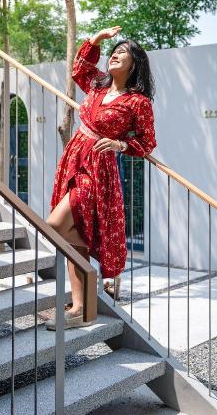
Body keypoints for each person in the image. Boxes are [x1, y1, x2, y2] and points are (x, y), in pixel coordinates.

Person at [45, 26, 157, 330]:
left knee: (55, 225)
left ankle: (94, 254)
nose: (115, 54)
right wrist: (95, 40)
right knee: (71, 233)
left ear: (135, 64)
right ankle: (80, 309)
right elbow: (79, 69)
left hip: (98, 168)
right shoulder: (97, 85)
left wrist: (121, 145)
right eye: (114, 51)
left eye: (123, 52)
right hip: (73, 157)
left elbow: (147, 142)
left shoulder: (138, 102)